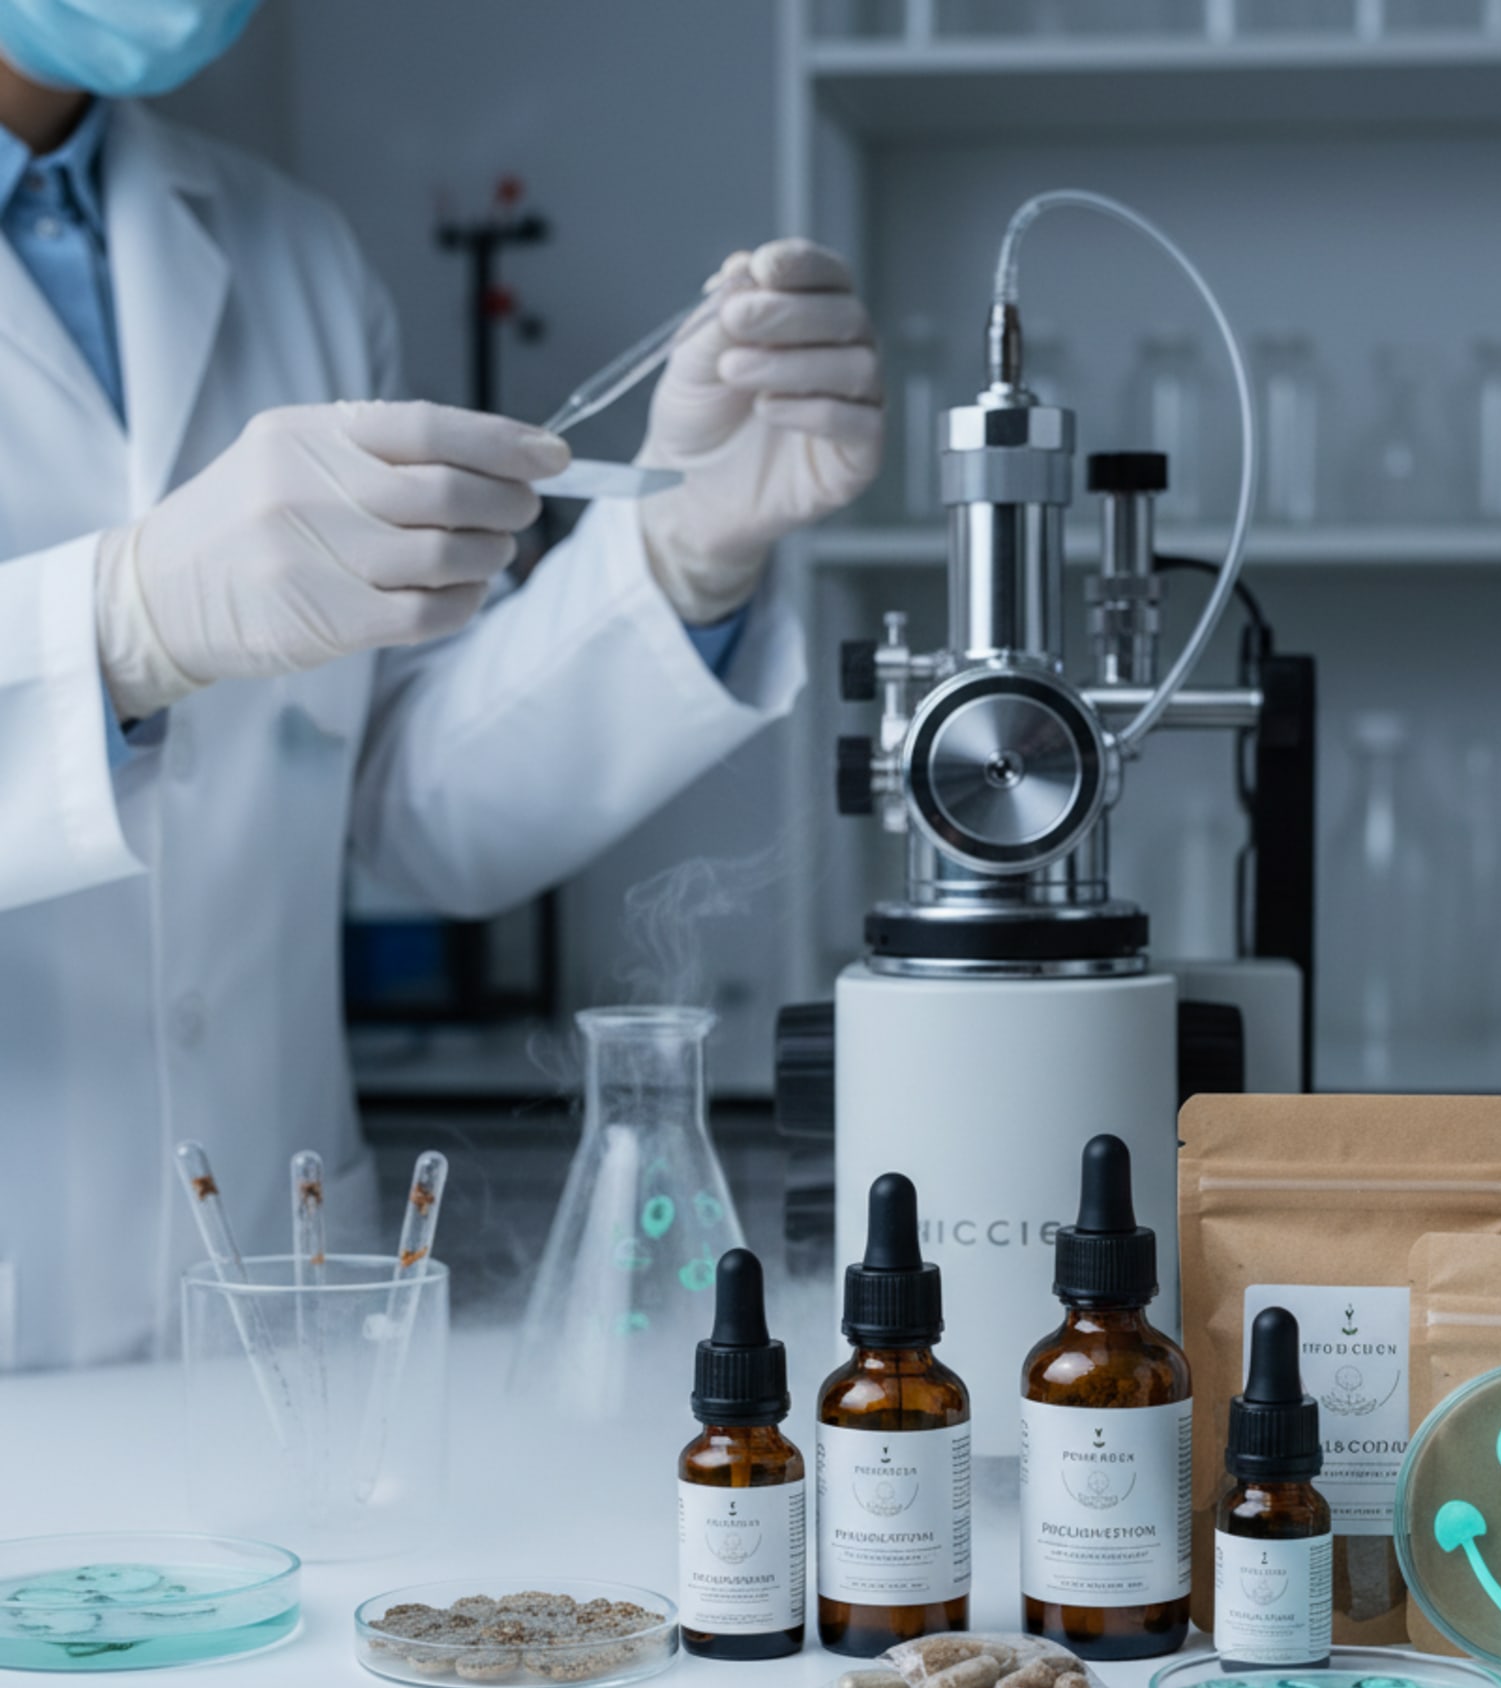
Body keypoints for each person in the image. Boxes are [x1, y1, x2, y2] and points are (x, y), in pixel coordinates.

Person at [0, 1, 884, 1367]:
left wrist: (681, 548)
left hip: (274, 1330)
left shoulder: (289, 250)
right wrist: (120, 624)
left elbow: (410, 797)